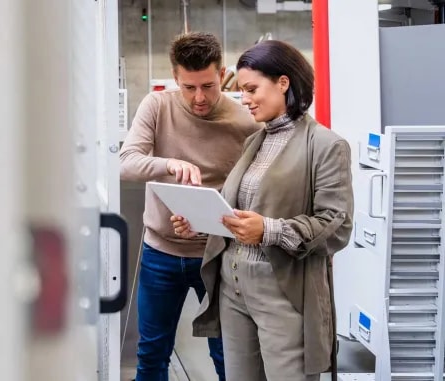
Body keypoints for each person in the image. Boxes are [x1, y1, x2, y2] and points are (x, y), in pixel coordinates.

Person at [173, 39, 354, 381]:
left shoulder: (327, 146)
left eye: (252, 89)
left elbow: (336, 226)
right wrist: (200, 223)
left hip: (282, 291)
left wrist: (269, 230)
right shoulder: (254, 142)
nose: (245, 99)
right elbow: (240, 212)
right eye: (242, 90)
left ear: (283, 82)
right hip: (233, 287)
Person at [119, 31, 259, 381]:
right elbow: (127, 161)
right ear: (175, 78)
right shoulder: (157, 106)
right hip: (160, 253)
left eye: (208, 86)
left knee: (229, 354)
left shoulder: (245, 120)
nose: (199, 98)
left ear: (222, 73)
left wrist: (211, 219)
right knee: (151, 352)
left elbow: (257, 190)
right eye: (189, 87)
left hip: (219, 256)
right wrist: (169, 165)